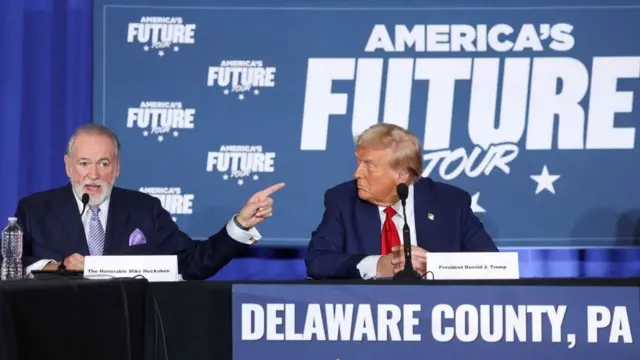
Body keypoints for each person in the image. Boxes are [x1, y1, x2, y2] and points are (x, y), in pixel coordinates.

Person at [14, 124, 285, 280]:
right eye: (84, 163)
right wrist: (58, 268)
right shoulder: (35, 209)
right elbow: (12, 265)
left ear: (117, 168)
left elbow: (191, 264)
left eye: (103, 163)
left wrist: (240, 224)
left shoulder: (144, 209)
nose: (93, 174)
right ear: (68, 166)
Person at [305, 123, 497, 280]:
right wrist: (378, 265)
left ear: (402, 174)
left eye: (369, 166)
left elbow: (495, 266)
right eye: (358, 162)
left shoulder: (451, 203)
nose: (357, 173)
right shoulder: (343, 200)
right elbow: (317, 261)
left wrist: (435, 266)